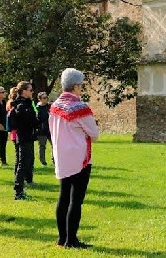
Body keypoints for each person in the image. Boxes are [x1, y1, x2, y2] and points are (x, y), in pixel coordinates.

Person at [50, 68, 100, 249]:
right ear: (76, 86)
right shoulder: (80, 107)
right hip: (80, 158)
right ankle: (72, 240)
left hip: (61, 155)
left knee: (63, 197)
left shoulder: (54, 105)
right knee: (76, 200)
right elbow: (94, 134)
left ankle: (62, 238)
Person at [11, 81, 38, 200]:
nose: (32, 92)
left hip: (27, 137)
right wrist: (38, 121)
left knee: (26, 162)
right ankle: (18, 192)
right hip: (24, 137)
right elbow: (30, 121)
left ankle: (21, 188)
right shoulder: (21, 105)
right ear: (24, 91)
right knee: (22, 164)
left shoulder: (27, 103)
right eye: (30, 90)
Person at [36, 92, 53, 166]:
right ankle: (43, 161)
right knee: (42, 146)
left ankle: (54, 160)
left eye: (46, 97)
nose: (46, 99)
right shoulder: (37, 108)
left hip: (51, 129)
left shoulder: (50, 106)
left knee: (54, 145)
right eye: (44, 98)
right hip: (41, 130)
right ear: (39, 99)